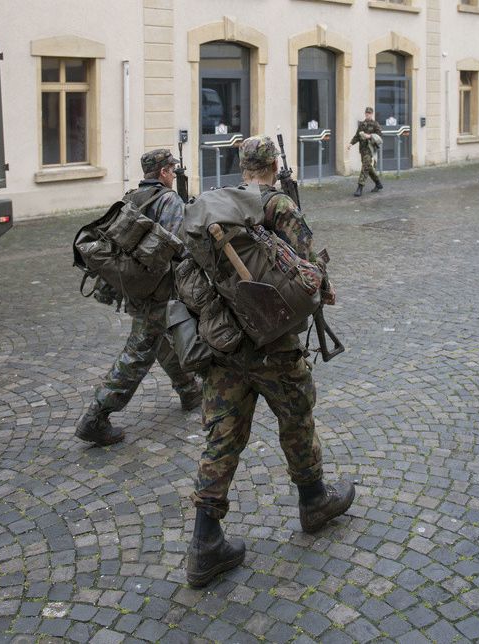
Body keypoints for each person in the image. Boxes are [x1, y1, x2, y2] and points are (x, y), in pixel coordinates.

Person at [184, 135, 355, 587]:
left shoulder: (217, 205)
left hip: (223, 341)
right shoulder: (276, 205)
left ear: (243, 166)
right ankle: (314, 501)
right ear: (275, 164)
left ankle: (204, 544)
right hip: (272, 339)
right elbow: (309, 260)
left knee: (222, 435)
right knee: (296, 413)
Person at [75, 149, 202, 446]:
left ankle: (188, 389)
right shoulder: (169, 200)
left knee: (161, 339)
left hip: (134, 285)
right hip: (158, 289)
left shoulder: (132, 197)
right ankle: (96, 417)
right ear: (163, 172)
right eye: (171, 168)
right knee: (139, 352)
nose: (173, 173)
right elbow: (179, 246)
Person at [348, 106, 383, 196]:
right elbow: (357, 136)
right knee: (368, 167)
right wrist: (351, 144)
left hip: (370, 149)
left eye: (369, 114)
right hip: (362, 150)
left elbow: (380, 136)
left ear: (372, 114)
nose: (368, 115)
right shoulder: (362, 125)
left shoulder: (375, 124)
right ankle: (378, 184)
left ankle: (360, 187)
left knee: (365, 167)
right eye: (366, 114)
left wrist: (370, 136)